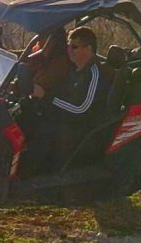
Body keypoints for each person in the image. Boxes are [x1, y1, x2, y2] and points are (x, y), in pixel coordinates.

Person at [23, 26, 108, 174]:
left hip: (84, 129)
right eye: (68, 46)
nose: (69, 50)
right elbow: (61, 95)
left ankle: (28, 177)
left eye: (74, 47)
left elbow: (81, 109)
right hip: (68, 119)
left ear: (88, 49)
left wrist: (46, 96)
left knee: (45, 130)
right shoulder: (74, 70)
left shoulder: (95, 73)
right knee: (26, 116)